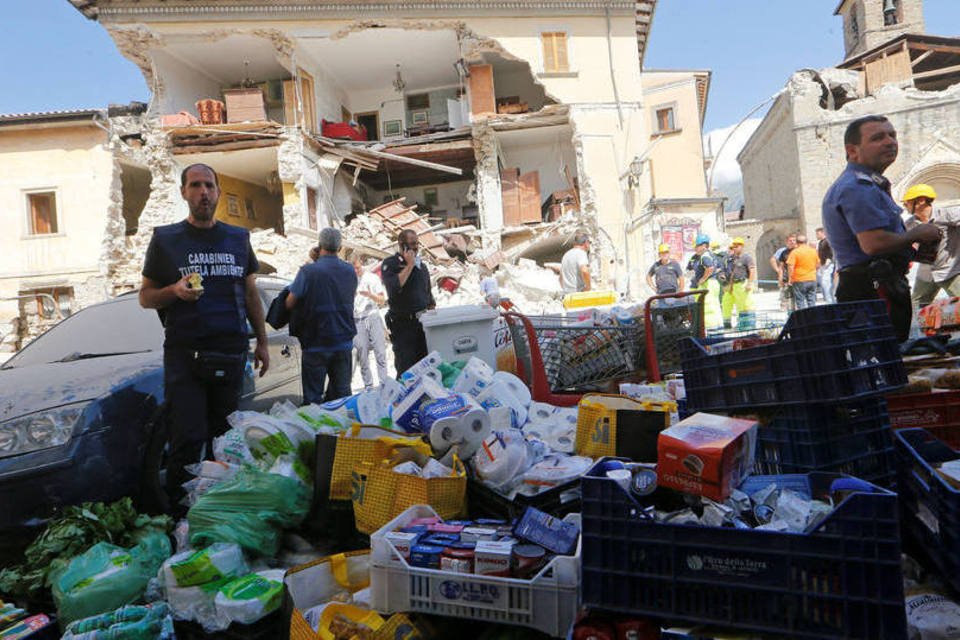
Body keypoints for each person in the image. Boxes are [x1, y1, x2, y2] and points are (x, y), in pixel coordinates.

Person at [139, 163, 269, 512]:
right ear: (183, 192)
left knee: (225, 439)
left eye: (209, 185)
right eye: (195, 185)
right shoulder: (166, 240)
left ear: (218, 192)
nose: (203, 192)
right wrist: (174, 291)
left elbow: (250, 292)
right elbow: (146, 297)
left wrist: (263, 341)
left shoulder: (238, 238)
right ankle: (181, 517)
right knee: (186, 439)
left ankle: (221, 509)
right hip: (185, 357)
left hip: (229, 353)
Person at [822, 114, 941, 341]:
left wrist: (913, 252)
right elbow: (873, 244)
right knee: (884, 360)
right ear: (853, 151)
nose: (889, 141)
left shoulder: (869, 184)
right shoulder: (858, 187)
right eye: (877, 138)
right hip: (872, 289)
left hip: (877, 285)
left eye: (892, 135)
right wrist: (917, 233)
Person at [285, 228, 357, 404]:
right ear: (340, 247)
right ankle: (343, 430)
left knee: (313, 400)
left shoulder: (308, 272)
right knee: (342, 397)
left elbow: (289, 303)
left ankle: (317, 431)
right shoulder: (350, 271)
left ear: (320, 245)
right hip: (342, 342)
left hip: (315, 344)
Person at [382, 229, 436, 375]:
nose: (415, 248)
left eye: (417, 244)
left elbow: (428, 296)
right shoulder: (391, 264)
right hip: (403, 326)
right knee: (406, 369)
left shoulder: (422, 267)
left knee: (426, 367)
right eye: (412, 244)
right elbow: (394, 286)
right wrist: (410, 265)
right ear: (402, 245)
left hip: (422, 325)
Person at [902, 184, 960, 308]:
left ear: (921, 200)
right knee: (916, 307)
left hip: (951, 271)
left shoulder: (946, 215)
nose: (904, 205)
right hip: (926, 272)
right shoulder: (909, 225)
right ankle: (922, 328)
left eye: (907, 202)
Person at [352, 255, 389, 390]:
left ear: (360, 263)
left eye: (357, 268)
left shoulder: (372, 278)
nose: (356, 271)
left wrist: (369, 295)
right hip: (357, 318)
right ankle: (368, 385)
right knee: (362, 352)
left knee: (380, 351)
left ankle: (384, 383)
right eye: (353, 269)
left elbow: (382, 299)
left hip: (372, 315)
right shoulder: (348, 281)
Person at [687, 234, 722, 330]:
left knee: (707, 308)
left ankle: (711, 330)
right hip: (713, 283)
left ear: (704, 245)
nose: (695, 248)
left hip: (708, 285)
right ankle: (718, 328)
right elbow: (718, 268)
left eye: (697, 246)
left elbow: (710, 268)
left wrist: (703, 279)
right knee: (715, 307)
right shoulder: (711, 255)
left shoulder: (704, 256)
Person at [720, 237, 757, 328]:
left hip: (743, 283)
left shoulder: (746, 257)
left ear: (741, 246)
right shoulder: (732, 259)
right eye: (734, 247)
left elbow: (752, 270)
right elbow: (730, 273)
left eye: (737, 246)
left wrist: (749, 283)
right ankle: (736, 324)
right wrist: (727, 283)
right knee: (733, 304)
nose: (735, 248)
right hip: (734, 285)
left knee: (746, 304)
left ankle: (748, 324)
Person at [787, 234, 820, 310]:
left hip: (799, 279)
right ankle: (813, 317)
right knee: (812, 301)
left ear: (797, 243)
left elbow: (790, 266)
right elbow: (818, 264)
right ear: (806, 242)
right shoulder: (813, 251)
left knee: (800, 301)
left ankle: (804, 319)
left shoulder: (795, 252)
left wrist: (790, 278)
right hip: (812, 279)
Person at [771, 234, 797, 312]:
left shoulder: (798, 251)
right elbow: (781, 267)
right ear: (787, 242)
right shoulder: (783, 252)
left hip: (798, 278)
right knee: (786, 296)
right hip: (787, 278)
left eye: (793, 240)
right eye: (790, 240)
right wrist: (780, 277)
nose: (792, 242)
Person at [815, 227, 837, 304]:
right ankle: (829, 300)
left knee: (826, 283)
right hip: (823, 264)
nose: (816, 235)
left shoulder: (828, 241)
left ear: (823, 233)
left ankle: (831, 301)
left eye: (818, 233)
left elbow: (831, 252)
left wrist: (828, 261)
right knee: (824, 284)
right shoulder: (821, 242)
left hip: (828, 265)